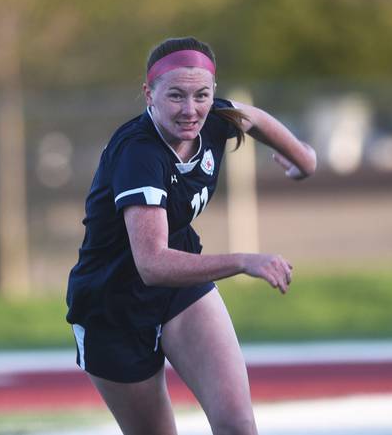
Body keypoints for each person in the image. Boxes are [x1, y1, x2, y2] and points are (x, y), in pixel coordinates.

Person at [66, 36, 316, 435]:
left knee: (238, 426)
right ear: (149, 94)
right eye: (176, 96)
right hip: (112, 308)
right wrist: (243, 261)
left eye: (202, 94)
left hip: (180, 291)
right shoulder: (139, 153)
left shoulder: (214, 116)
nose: (190, 109)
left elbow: (250, 118)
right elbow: (152, 263)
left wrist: (303, 159)